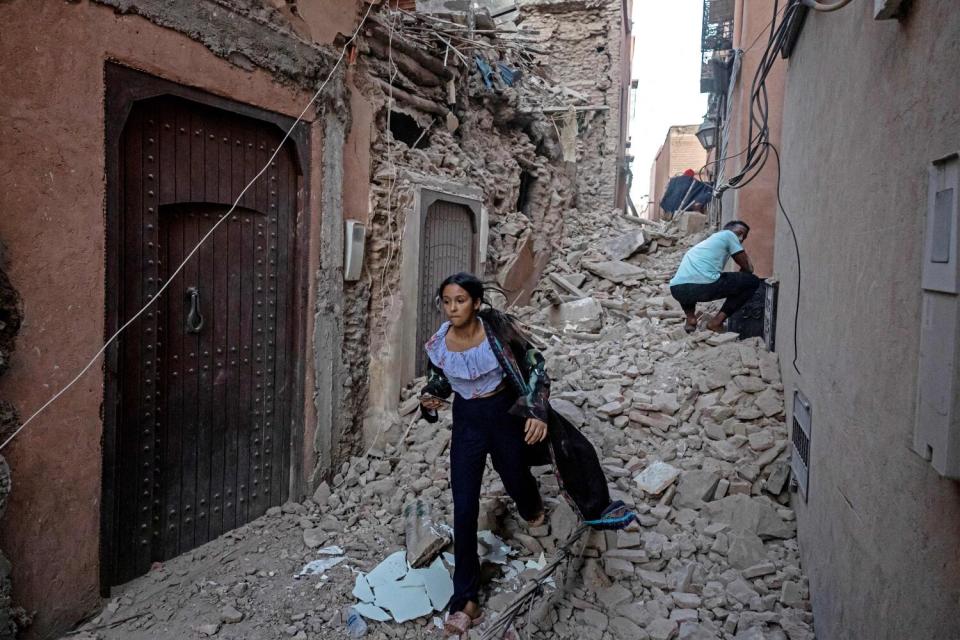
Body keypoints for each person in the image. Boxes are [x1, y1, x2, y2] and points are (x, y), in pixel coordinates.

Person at [420, 273, 635, 637]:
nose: (452, 308)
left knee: (514, 471)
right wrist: (430, 399)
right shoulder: (439, 344)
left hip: (505, 414)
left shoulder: (499, 335)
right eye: (446, 301)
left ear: (475, 302)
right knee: (464, 505)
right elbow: (438, 382)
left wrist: (536, 411)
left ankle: (532, 506)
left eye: (460, 300)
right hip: (468, 424)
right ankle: (465, 599)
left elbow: (537, 367)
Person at [669, 220, 761, 333]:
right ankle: (716, 322)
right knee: (752, 281)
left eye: (744, 237)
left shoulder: (705, 244)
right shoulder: (728, 234)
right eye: (739, 233)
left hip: (676, 289)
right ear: (728, 230)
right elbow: (748, 269)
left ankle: (691, 319)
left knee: (690, 282)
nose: (741, 238)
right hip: (703, 286)